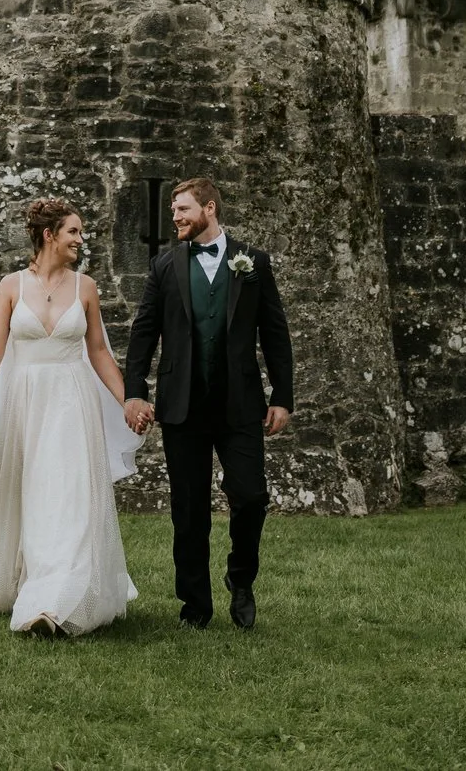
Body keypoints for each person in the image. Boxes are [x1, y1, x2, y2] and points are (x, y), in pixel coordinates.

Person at [0, 197, 140, 636]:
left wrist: (129, 399)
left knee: (70, 497)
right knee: (33, 493)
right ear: (49, 235)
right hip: (27, 404)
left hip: (73, 401)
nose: (80, 239)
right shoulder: (11, 286)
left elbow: (99, 354)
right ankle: (35, 587)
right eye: (73, 231)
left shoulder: (84, 287)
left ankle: (53, 603)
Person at [121, 177, 294, 630]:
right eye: (174, 210)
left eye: (181, 209)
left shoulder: (253, 263)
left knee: (252, 497)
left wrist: (283, 397)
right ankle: (195, 605)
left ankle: (241, 581)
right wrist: (134, 390)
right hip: (182, 407)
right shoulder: (164, 266)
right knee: (189, 508)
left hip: (240, 406)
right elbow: (143, 333)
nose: (174, 217)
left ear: (209, 208)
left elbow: (275, 333)